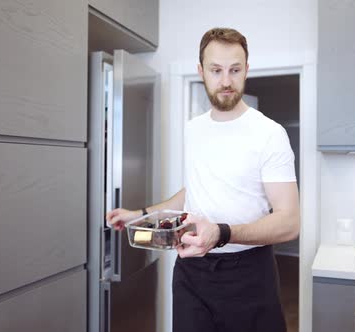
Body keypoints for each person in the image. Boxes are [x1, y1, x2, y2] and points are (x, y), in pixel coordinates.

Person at [106, 27, 300, 332]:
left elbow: (289, 222)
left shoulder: (270, 134)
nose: (226, 81)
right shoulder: (193, 129)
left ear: (247, 70)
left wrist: (221, 233)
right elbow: (195, 190)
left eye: (235, 70)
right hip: (191, 272)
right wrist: (141, 215)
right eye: (216, 70)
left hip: (249, 275)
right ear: (201, 71)